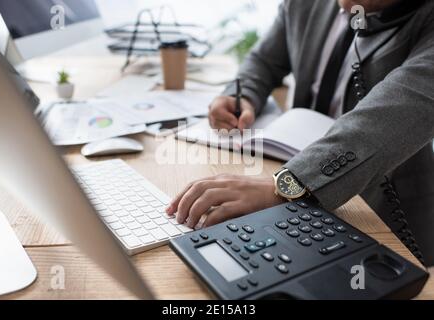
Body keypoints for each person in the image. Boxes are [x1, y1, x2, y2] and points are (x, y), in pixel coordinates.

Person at [166, 0, 434, 265]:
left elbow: (394, 114)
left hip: (383, 211)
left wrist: (288, 185)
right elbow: (264, 60)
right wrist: (242, 94)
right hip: (297, 178)